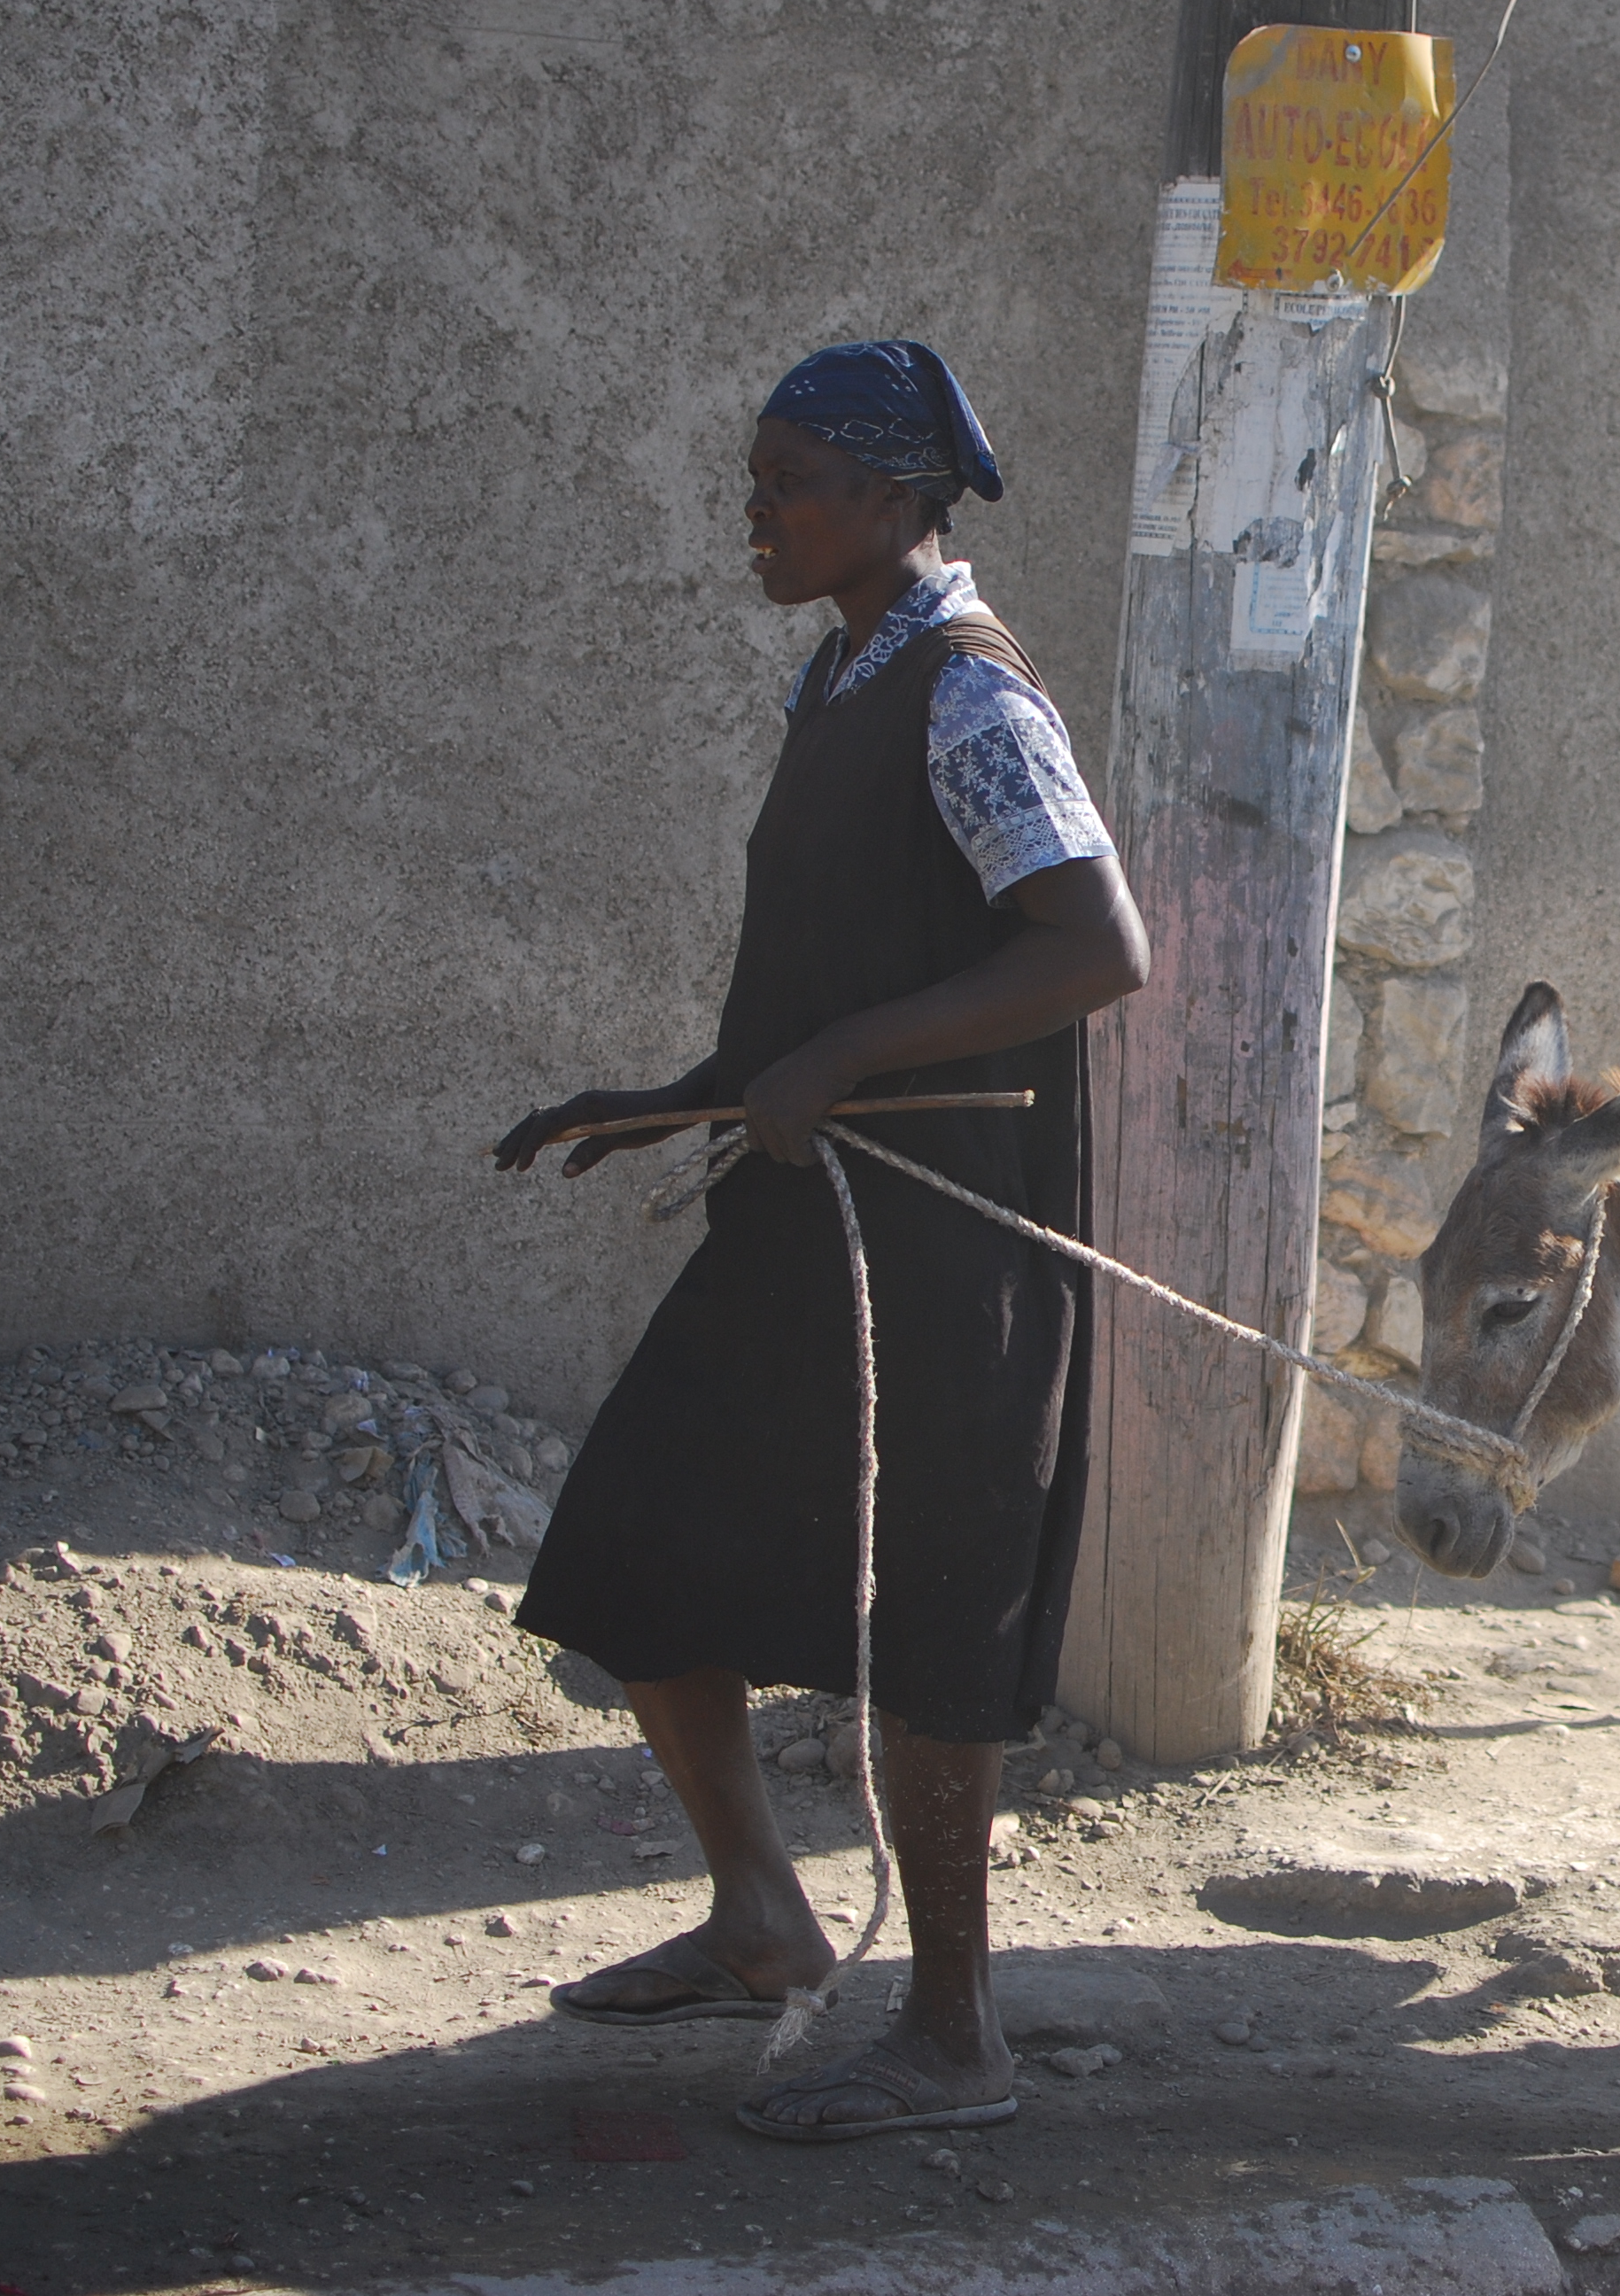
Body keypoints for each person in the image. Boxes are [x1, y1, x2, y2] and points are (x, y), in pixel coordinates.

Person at [490, 339, 1149, 2142]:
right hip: (803, 1216)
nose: (756, 513)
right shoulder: (840, 679)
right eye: (756, 481)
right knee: (634, 1540)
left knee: (940, 1611)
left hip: (947, 1244)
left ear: (887, 500)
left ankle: (954, 2034)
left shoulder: (967, 696)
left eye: (787, 483)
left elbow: (1096, 950)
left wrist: (846, 1059)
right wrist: (666, 1098)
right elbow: (826, 979)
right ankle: (764, 1919)